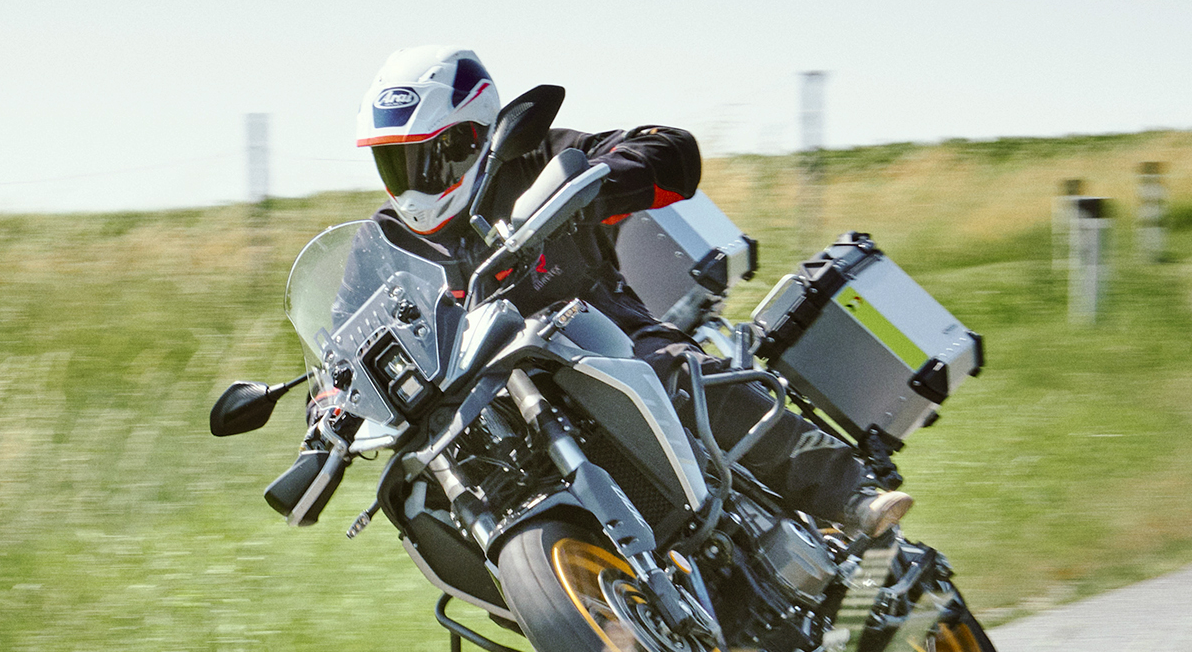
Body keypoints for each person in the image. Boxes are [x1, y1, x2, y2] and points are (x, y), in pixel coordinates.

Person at [343, 43, 911, 538]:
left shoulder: (535, 156)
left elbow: (671, 151)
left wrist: (597, 186)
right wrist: (325, 419)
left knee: (670, 373)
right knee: (430, 498)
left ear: (473, 135)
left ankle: (850, 492)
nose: (413, 182)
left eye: (428, 157)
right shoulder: (380, 244)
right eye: (395, 163)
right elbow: (339, 344)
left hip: (605, 339)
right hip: (486, 406)